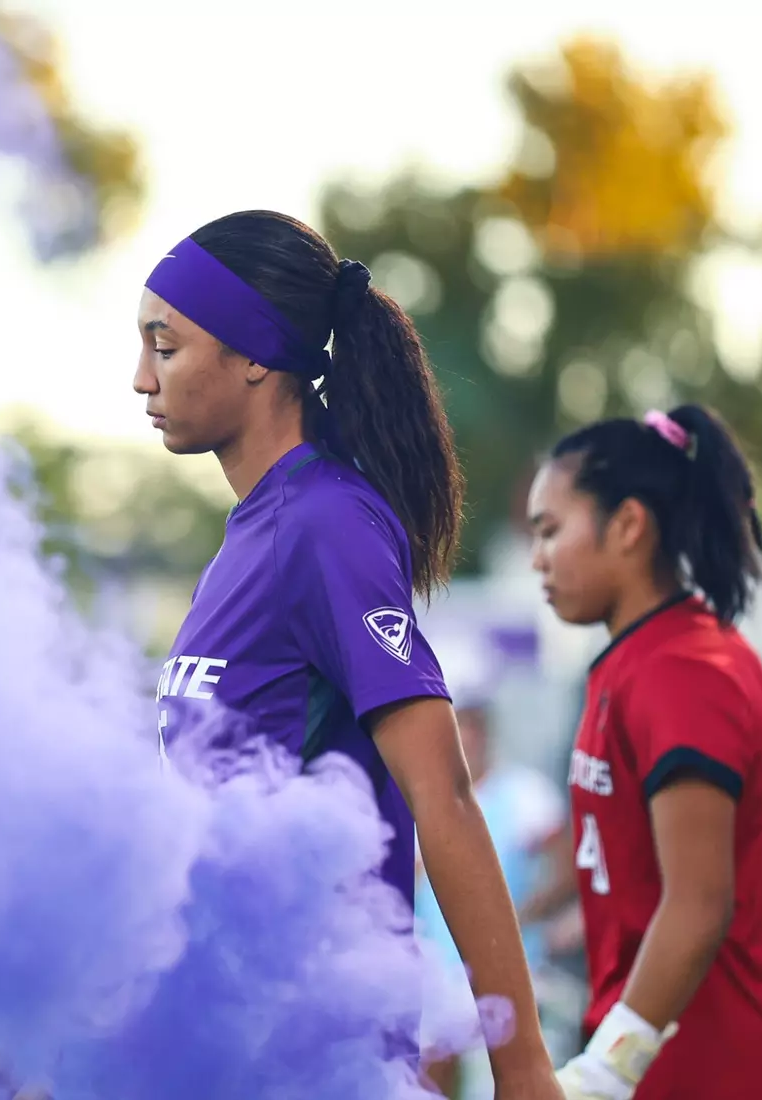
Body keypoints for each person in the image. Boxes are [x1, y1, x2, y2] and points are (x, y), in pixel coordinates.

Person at [135, 209, 561, 1099]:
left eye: (165, 347)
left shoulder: (326, 523)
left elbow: (444, 795)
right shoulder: (247, 539)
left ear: (256, 355)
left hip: (317, 1058)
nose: (141, 378)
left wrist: (521, 1070)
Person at [526, 406, 762, 1099]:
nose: (536, 557)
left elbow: (700, 903)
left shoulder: (683, 669)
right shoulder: (638, 661)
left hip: (734, 1073)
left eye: (550, 530)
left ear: (628, 525)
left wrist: (604, 1071)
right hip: (676, 1066)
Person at [416, 692, 567, 1098]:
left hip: (508, 971)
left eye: (471, 725)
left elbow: (569, 864)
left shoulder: (523, 793)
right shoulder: (419, 798)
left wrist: (526, 915)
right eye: (457, 724)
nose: (464, 736)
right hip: (438, 976)